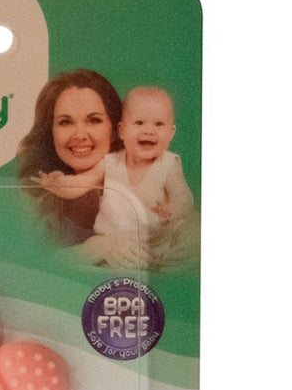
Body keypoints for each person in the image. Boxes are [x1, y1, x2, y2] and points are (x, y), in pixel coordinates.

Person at [28, 83, 199, 270]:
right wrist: (59, 184)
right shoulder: (110, 163)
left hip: (157, 249)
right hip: (110, 248)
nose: (149, 131)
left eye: (159, 124)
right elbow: (81, 182)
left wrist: (173, 210)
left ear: (171, 133)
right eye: (139, 123)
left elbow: (183, 196)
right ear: (122, 131)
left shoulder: (168, 165)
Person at [18, 69, 153, 268]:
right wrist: (99, 247)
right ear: (50, 132)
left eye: (94, 120)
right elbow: (28, 263)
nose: (80, 135)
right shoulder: (34, 197)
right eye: (65, 122)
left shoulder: (143, 178)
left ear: (116, 130)